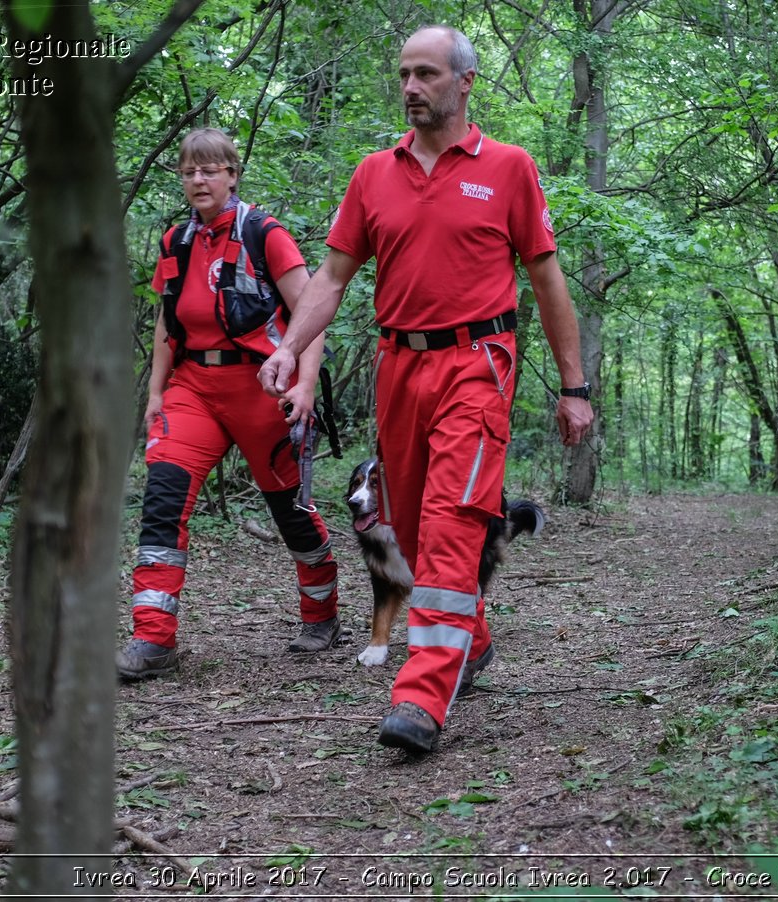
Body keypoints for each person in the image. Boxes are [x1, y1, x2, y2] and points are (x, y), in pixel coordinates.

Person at [259, 26, 595, 752]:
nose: (411, 87)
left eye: (427, 74)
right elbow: (332, 279)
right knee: (407, 525)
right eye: (404, 74)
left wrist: (576, 386)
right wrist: (289, 348)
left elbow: (546, 280)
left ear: (465, 82)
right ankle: (469, 639)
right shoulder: (373, 174)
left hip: (478, 364)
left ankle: (420, 696)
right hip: (397, 368)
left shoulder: (508, 168)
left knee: (451, 523)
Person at [117, 127, 343, 680]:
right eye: (189, 170)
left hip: (263, 388)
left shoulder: (265, 234)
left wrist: (304, 388)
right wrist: (153, 394)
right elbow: (168, 323)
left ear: (232, 175)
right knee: (163, 501)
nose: (199, 179)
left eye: (210, 170)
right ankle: (153, 639)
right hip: (193, 389)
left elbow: (309, 316)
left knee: (291, 512)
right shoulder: (176, 242)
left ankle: (322, 613)